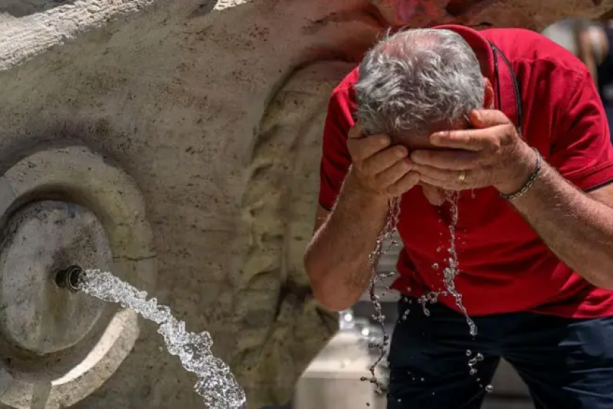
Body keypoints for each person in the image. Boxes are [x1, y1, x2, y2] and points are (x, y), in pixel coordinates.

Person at [304, 25, 613, 409]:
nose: (434, 194)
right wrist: (365, 187)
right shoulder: (355, 109)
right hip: (438, 298)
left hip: (568, 299)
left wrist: (521, 171)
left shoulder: (551, 77)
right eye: (409, 170)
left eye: (450, 159)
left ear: (485, 100)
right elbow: (334, 293)